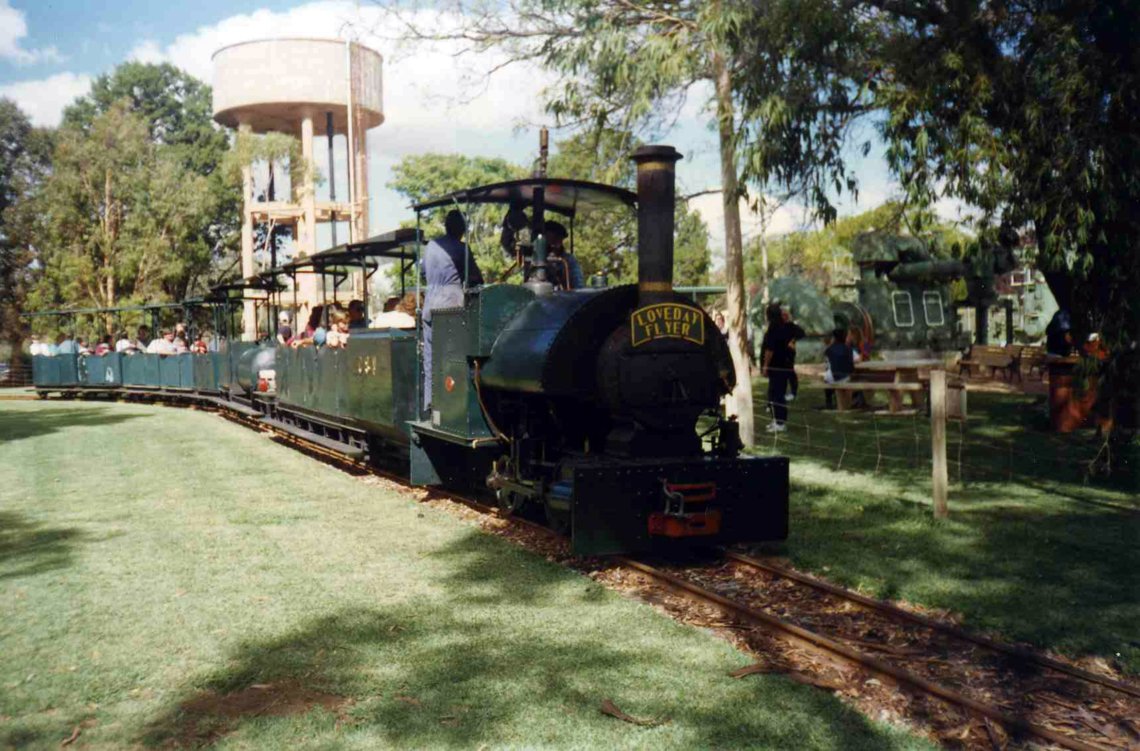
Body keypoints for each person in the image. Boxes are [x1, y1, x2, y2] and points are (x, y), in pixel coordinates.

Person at [422, 209, 484, 408]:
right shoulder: (461, 248)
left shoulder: (431, 246)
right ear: (462, 230)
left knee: (431, 355)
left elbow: (423, 271)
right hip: (451, 304)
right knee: (454, 356)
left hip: (430, 303)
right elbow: (475, 278)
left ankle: (431, 400)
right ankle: (453, 405)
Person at [760, 303, 801, 432]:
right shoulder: (783, 327)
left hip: (777, 366)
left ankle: (780, 422)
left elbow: (769, 350)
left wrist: (765, 366)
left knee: (778, 395)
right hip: (782, 365)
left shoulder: (774, 329)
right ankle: (775, 419)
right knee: (773, 393)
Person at [545, 221, 584, 290]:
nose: (555, 242)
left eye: (558, 238)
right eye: (552, 239)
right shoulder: (536, 260)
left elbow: (578, 285)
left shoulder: (569, 260)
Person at [823, 328, 856, 409]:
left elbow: (827, 362)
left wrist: (830, 344)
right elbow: (851, 366)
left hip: (832, 378)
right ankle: (847, 405)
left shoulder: (829, 349)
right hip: (845, 377)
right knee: (848, 380)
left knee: (828, 375)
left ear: (834, 338)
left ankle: (830, 402)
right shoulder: (849, 349)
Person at [781, 307, 806, 402]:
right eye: (782, 315)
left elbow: (802, 333)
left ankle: (793, 391)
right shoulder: (778, 326)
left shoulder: (791, 326)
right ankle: (782, 392)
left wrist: (793, 340)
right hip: (780, 352)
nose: (784, 317)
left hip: (789, 352)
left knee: (790, 371)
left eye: (785, 315)